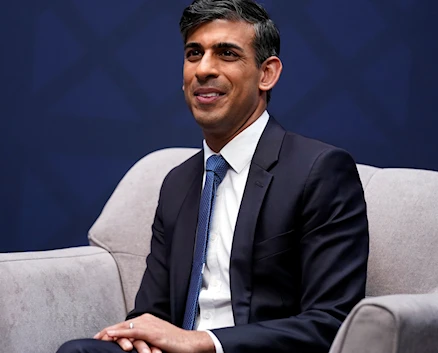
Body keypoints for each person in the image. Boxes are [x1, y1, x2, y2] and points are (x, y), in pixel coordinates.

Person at [57, 0, 369, 352]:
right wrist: (139, 336)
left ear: (266, 74)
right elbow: (152, 313)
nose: (204, 69)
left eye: (226, 54)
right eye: (194, 53)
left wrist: (204, 342)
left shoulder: (319, 170)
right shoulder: (178, 182)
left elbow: (332, 322)